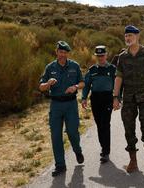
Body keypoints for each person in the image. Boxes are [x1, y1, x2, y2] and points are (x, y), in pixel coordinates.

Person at [113, 25, 144, 173]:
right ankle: (133, 160)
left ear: (137, 36)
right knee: (129, 128)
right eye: (126, 36)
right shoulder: (122, 57)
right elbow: (118, 78)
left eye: (130, 36)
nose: (127, 38)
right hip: (128, 98)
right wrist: (115, 97)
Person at [39, 41, 85, 177]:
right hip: (56, 105)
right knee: (56, 136)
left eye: (65, 52)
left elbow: (82, 82)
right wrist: (47, 84)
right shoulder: (50, 67)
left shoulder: (75, 66)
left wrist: (75, 87)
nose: (62, 55)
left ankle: (77, 150)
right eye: (60, 52)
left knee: (72, 132)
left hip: (70, 104)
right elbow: (41, 86)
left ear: (67, 53)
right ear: (56, 52)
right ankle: (60, 165)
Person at [82, 45, 116, 163]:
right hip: (95, 98)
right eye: (98, 56)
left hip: (107, 98)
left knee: (105, 124)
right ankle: (103, 147)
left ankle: (106, 152)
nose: (101, 58)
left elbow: (118, 85)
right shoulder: (92, 70)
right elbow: (87, 85)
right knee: (99, 124)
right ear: (96, 56)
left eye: (102, 55)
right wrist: (84, 98)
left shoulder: (112, 69)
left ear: (106, 55)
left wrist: (117, 98)